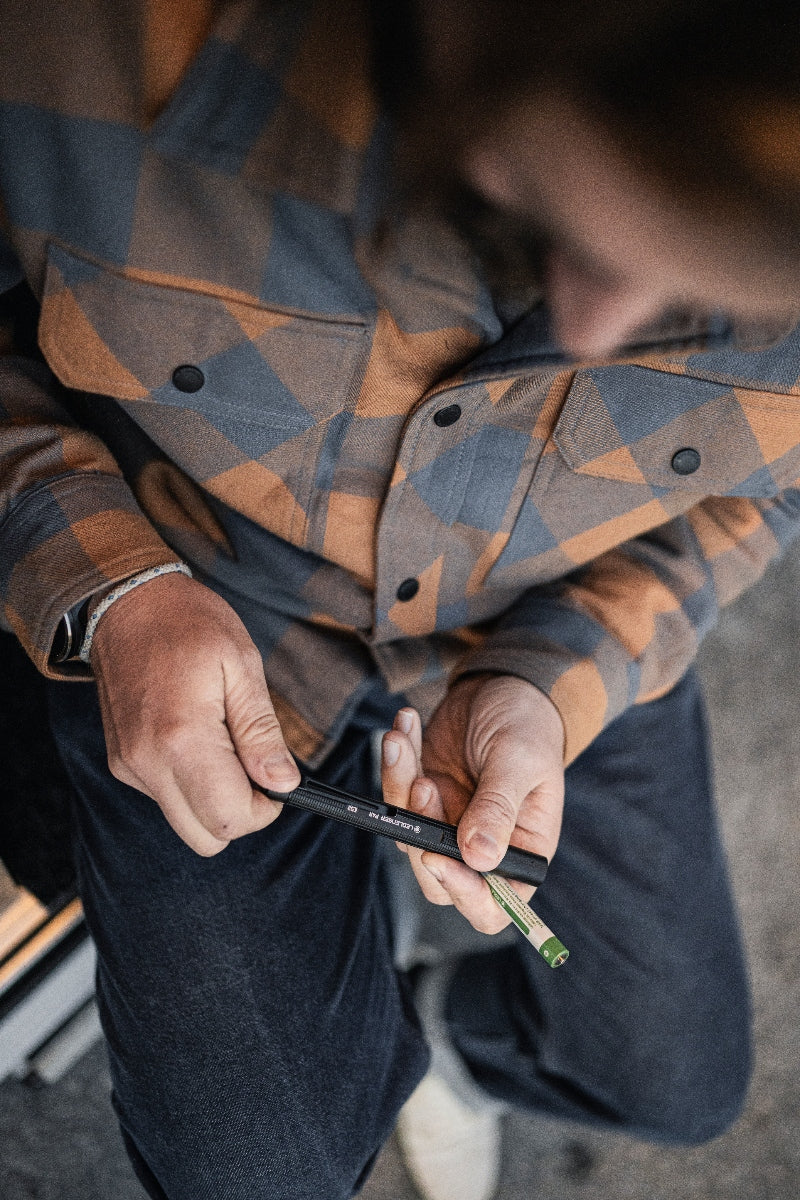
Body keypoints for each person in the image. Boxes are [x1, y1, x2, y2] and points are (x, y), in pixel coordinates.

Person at [1, 1, 800, 1197]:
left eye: (702, 306)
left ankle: (448, 1044)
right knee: (255, 1173)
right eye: (561, 230)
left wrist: (547, 677)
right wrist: (108, 583)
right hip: (199, 588)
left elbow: (758, 496)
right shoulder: (79, 43)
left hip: (551, 599)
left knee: (670, 1084)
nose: (588, 332)